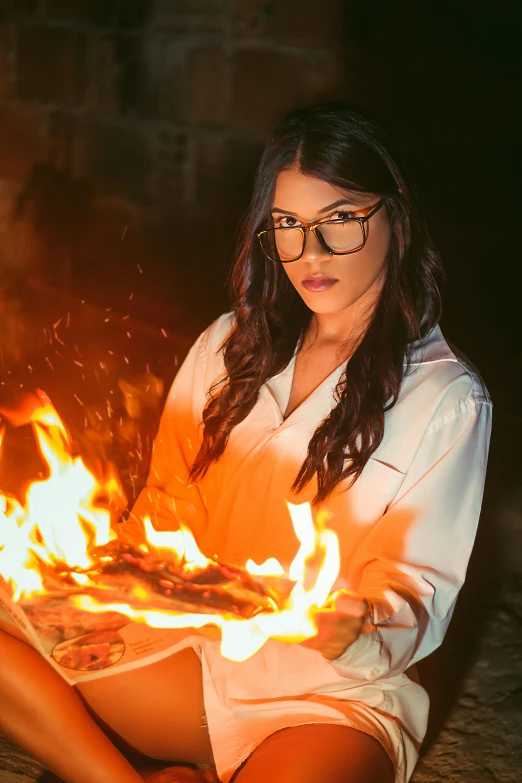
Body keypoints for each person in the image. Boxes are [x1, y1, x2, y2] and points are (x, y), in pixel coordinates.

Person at [0, 101, 492, 783]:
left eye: (338, 221)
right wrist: (110, 581)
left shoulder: (445, 397)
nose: (308, 254)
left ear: (395, 215)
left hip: (327, 702)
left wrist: (357, 624)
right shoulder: (230, 344)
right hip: (193, 667)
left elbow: (417, 593)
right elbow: (166, 511)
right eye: (287, 226)